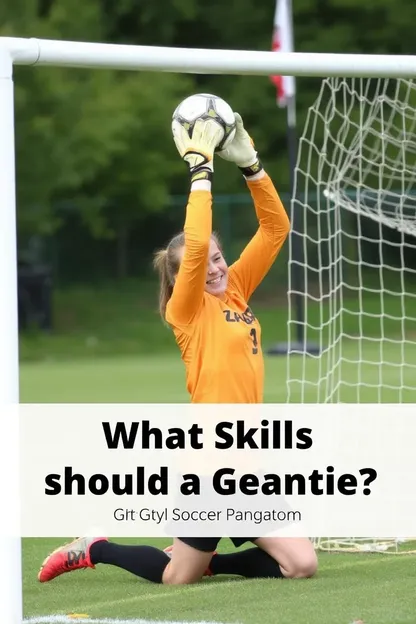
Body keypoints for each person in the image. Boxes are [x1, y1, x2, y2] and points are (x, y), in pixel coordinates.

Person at [38, 110, 317, 586]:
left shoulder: (235, 291)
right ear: (184, 274)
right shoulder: (185, 311)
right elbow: (193, 246)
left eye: (217, 256)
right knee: (176, 579)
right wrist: (200, 171)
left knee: (301, 565)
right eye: (202, 263)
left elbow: (276, 231)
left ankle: (211, 558)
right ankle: (95, 547)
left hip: (249, 460)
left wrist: (252, 167)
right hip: (209, 466)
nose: (215, 268)